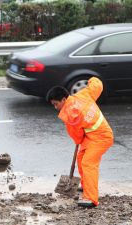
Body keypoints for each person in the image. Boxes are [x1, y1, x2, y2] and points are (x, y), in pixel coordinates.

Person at [47, 77, 114, 207]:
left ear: (64, 100)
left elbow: (77, 137)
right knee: (81, 158)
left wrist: (79, 139)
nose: (55, 107)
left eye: (56, 104)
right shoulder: (81, 95)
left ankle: (91, 198)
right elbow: (97, 86)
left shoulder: (70, 114)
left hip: (101, 138)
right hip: (93, 136)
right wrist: (92, 79)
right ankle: (87, 186)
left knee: (88, 163)